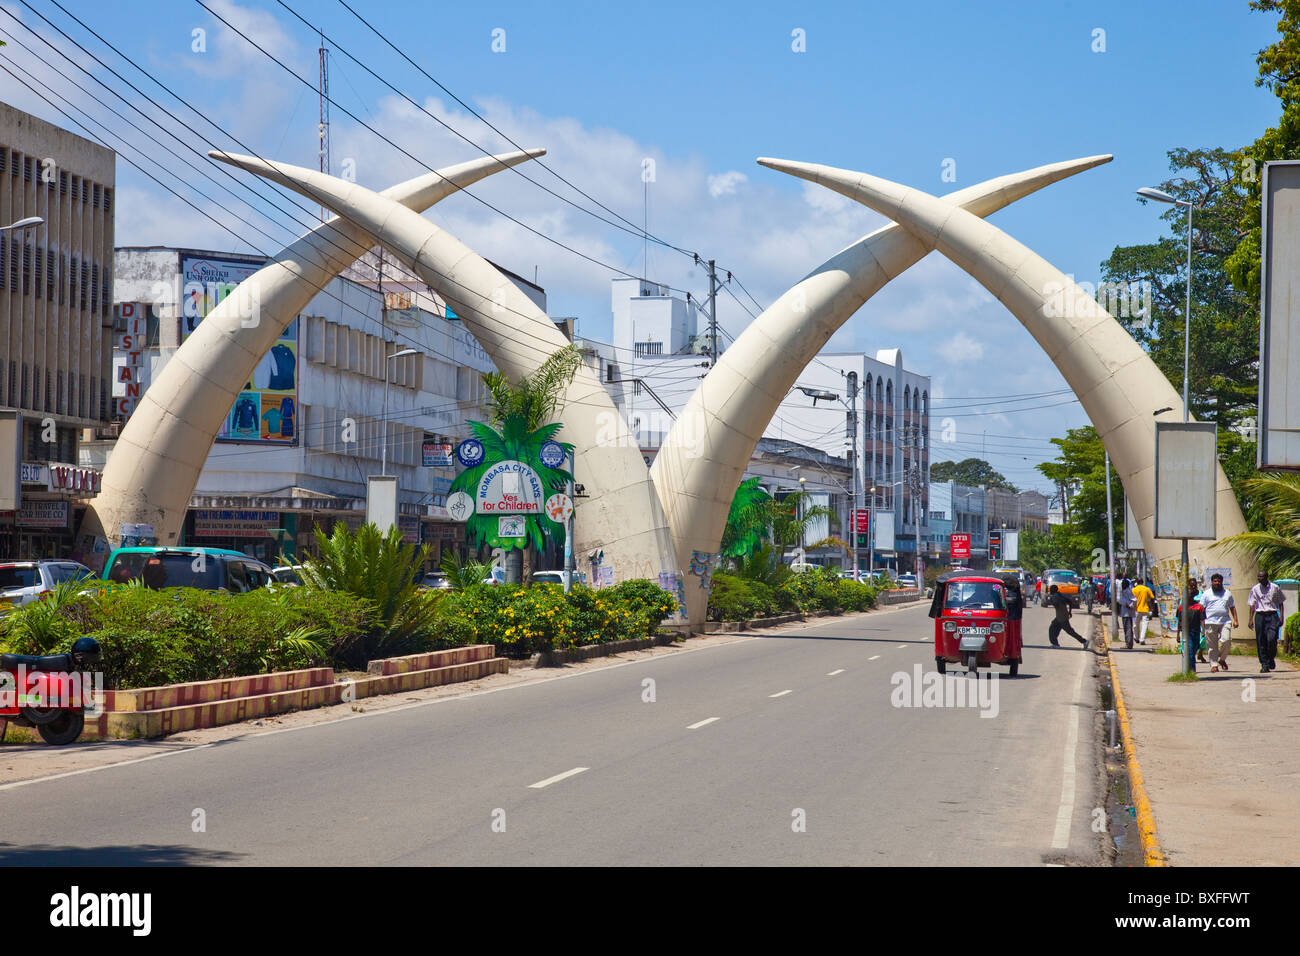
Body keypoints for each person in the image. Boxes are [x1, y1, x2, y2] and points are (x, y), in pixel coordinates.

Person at [1199, 572, 1239, 673]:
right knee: (1211, 645)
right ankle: (1214, 665)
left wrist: (1236, 620)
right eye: (1215, 581)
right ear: (1211, 582)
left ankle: (1222, 660)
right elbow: (1201, 609)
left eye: (1219, 581)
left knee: (1227, 640)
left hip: (1225, 621)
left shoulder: (1227, 593)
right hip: (1210, 622)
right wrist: (1202, 623)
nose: (1217, 583)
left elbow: (1232, 607)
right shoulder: (1206, 594)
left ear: (1222, 582)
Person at [1248, 570, 1286, 674]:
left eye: (1262, 577)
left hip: (1272, 615)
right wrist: (1250, 619)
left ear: (1266, 577)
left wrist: (1281, 617)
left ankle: (1271, 658)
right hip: (1260, 616)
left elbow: (1281, 603)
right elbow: (1252, 605)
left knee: (1271, 639)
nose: (1259, 579)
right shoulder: (1255, 589)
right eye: (1258, 577)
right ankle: (1264, 664)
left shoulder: (1275, 587)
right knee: (1261, 641)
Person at [1047, 583, 1089, 649]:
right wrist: (1069, 612)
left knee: (1069, 631)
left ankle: (1084, 641)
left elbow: (1056, 603)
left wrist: (1051, 600)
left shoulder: (1055, 596)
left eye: (1051, 590)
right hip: (1062, 616)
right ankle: (1055, 643)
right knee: (1054, 628)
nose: (1050, 591)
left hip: (1061, 617)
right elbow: (1069, 602)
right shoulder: (1059, 595)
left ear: (1053, 590)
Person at [1176, 579, 1207, 666]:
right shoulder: (1182, 605)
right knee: (1189, 648)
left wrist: (1203, 630)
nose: (1193, 586)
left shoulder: (1200, 598)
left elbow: (1202, 617)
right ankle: (1191, 668)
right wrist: (1178, 633)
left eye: (1194, 584)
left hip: (1197, 626)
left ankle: (1198, 655)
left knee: (1197, 645)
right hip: (1187, 630)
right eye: (1191, 585)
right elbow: (1179, 619)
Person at [1132, 578, 1156, 645]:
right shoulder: (1147, 589)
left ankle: (1136, 637)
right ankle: (1142, 639)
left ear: (1137, 582)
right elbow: (1152, 598)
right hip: (1145, 609)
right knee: (1144, 624)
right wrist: (1152, 608)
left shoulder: (1134, 590)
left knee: (1136, 624)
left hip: (1136, 610)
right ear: (1143, 582)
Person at [1119, 578, 1136, 648]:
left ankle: (1128, 643)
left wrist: (1129, 605)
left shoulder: (1127, 591)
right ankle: (1128, 643)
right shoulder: (1125, 591)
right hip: (1125, 612)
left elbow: (1134, 600)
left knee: (1128, 628)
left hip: (1127, 613)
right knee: (1127, 628)